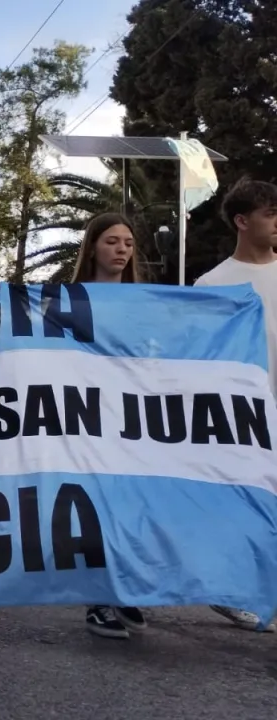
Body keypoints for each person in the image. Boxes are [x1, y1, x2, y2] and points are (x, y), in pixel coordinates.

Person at [193, 179, 277, 634]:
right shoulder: (213, 284)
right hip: (242, 422)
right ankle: (231, 592)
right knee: (245, 507)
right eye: (270, 213)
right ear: (243, 222)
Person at [67, 212, 148, 639]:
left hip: (131, 416)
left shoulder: (145, 301)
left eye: (129, 243)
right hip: (83, 415)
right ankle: (98, 597)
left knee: (128, 502)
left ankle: (123, 587)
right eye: (113, 242)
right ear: (93, 247)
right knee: (94, 505)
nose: (122, 250)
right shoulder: (69, 300)